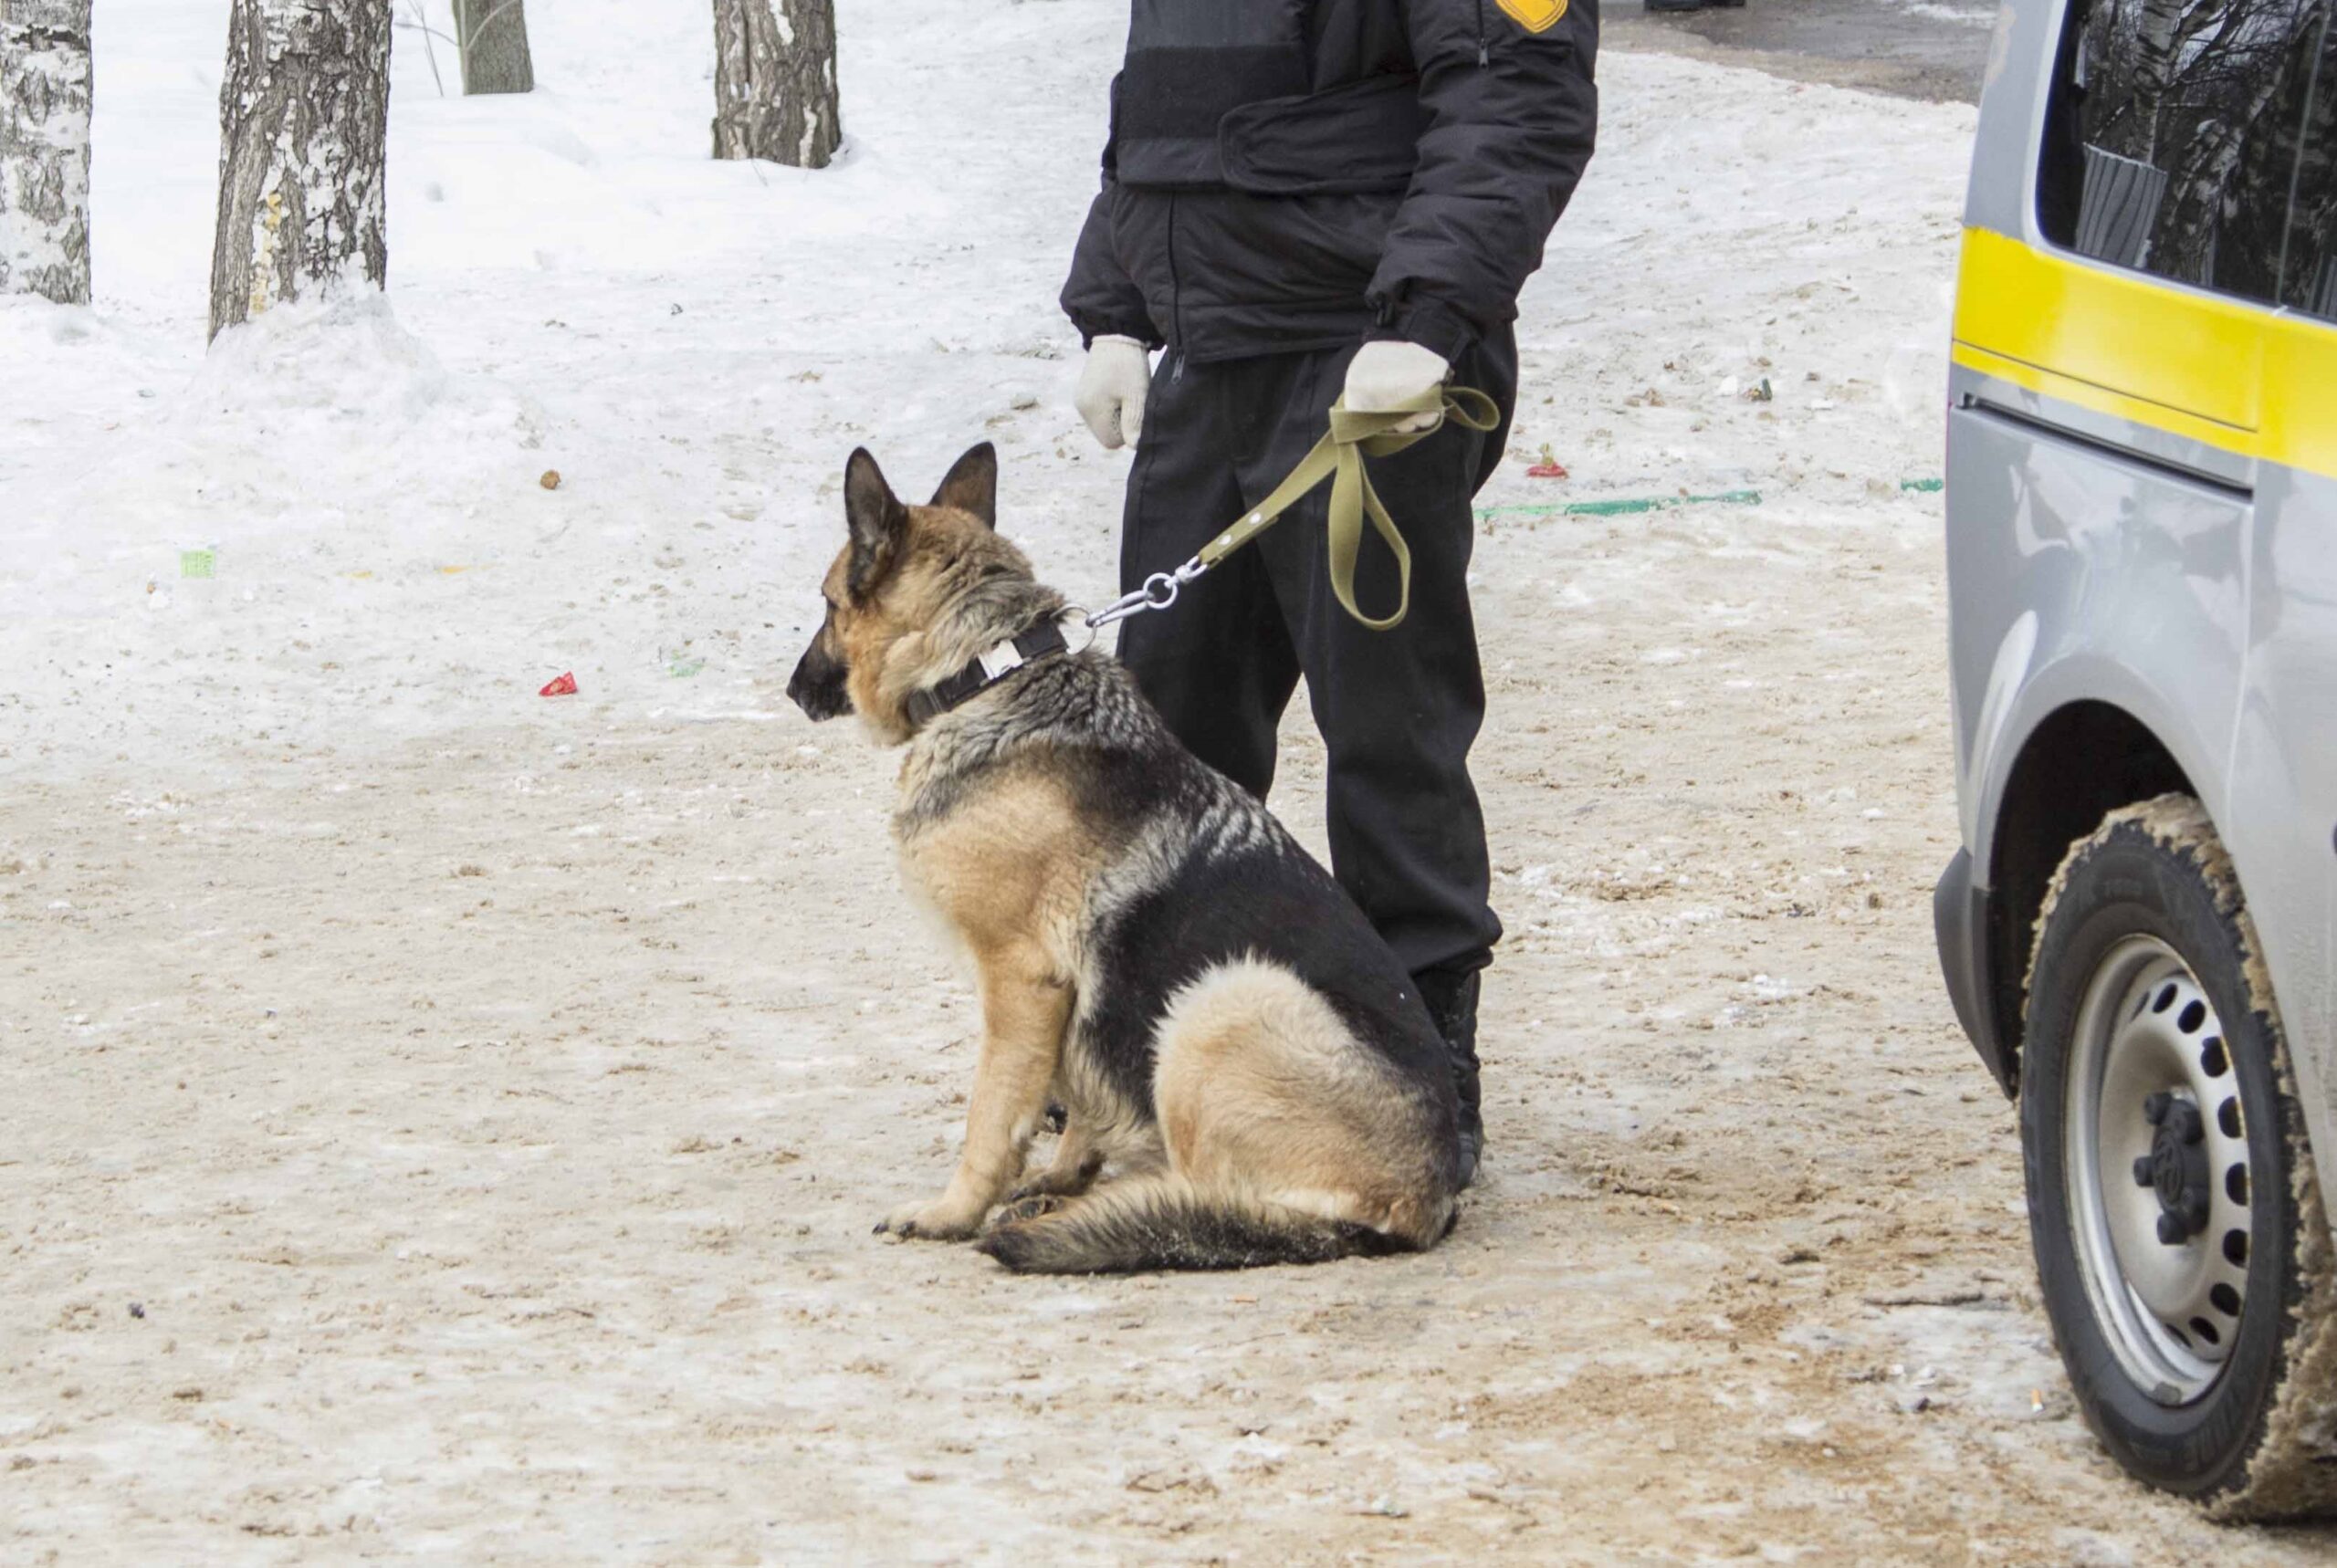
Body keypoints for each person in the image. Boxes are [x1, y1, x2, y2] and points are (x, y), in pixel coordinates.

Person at [1061, 0, 1599, 1186]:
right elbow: (1166, 103)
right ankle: (1163, 1065)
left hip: (1364, 362)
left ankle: (1420, 1094)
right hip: (1209, 354)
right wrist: (1110, 298)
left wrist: (1430, 316)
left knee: (1388, 734)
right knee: (1160, 742)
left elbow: (1517, 95)